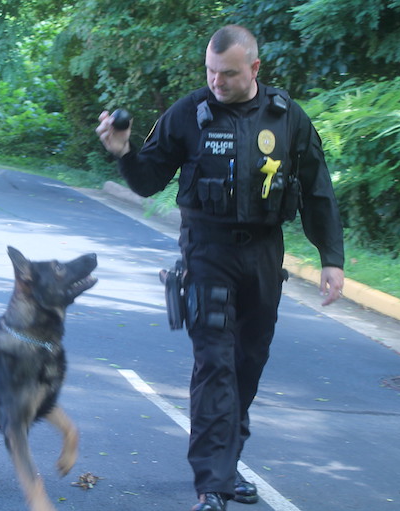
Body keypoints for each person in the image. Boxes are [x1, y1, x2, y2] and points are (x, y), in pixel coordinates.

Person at [96, 25, 344, 511]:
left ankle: (227, 466)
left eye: (227, 73)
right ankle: (213, 484)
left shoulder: (287, 117)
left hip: (264, 256)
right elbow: (147, 181)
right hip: (206, 253)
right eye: (210, 71)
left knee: (248, 365)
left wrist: (331, 259)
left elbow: (318, 191)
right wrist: (122, 150)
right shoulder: (188, 114)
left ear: (254, 69)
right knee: (216, 367)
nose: (216, 81)